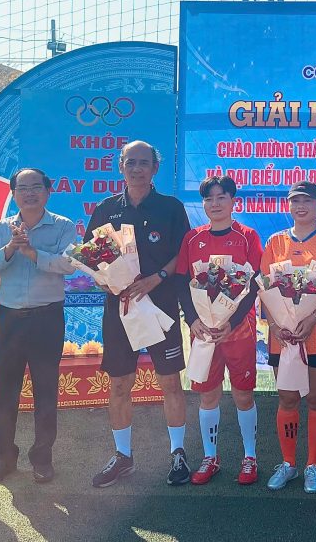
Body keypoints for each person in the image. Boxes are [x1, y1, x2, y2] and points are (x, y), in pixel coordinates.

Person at [86, 141, 192, 488]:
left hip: (160, 306)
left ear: (154, 168)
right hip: (120, 309)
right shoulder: (105, 209)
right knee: (119, 384)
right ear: (121, 166)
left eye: (143, 163)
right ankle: (123, 456)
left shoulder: (171, 207)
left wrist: (156, 278)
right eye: (130, 162)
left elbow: (183, 255)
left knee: (170, 382)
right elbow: (91, 257)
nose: (137, 169)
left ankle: (178, 454)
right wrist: (106, 280)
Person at [0, 168, 77, 487]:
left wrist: (33, 253)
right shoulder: (0, 229)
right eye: (23, 188)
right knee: (3, 394)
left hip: (47, 319)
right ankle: (3, 458)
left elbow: (70, 264)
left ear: (48, 191)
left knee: (46, 392)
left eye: (36, 187)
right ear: (14, 194)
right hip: (9, 321)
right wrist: (9, 249)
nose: (30, 193)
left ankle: (42, 458)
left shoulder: (63, 226)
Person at [175, 175, 264, 486]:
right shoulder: (192, 238)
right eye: (208, 198)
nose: (214, 203)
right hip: (204, 333)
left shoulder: (247, 236)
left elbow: (255, 284)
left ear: (232, 201)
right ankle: (210, 457)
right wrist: (192, 321)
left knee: (243, 394)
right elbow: (181, 282)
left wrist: (233, 322)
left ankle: (250, 457)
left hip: (238, 331)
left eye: (221, 197)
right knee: (207, 395)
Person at [262, 181, 316, 493]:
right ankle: (288, 463)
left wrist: (313, 317)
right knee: (287, 398)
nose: (301, 207)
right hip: (283, 337)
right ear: (288, 205)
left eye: (307, 201)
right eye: (295, 201)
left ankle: (313, 465)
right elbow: (264, 287)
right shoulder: (275, 241)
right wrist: (275, 325)